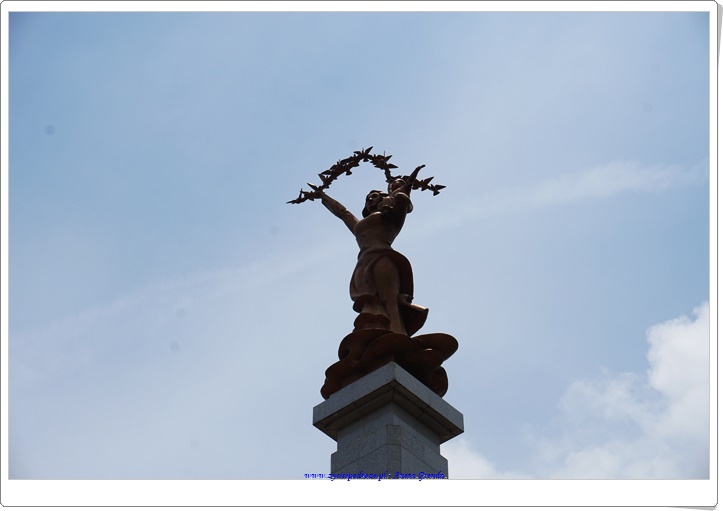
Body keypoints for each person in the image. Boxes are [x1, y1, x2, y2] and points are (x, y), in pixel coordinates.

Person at [315, 175, 427, 337]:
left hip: (383, 258)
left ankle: (398, 337)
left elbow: (402, 198)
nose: (370, 199)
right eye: (367, 198)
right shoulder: (359, 225)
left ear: (383, 199)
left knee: (389, 301)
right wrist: (322, 196)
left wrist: (402, 187)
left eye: (374, 196)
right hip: (363, 264)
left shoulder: (391, 218)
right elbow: (343, 213)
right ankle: (379, 336)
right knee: (371, 304)